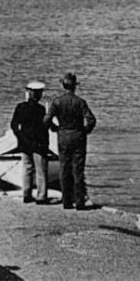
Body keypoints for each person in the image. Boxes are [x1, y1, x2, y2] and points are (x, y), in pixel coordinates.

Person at [46, 71, 97, 210]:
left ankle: (66, 201)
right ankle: (80, 202)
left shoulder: (57, 101)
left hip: (63, 136)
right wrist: (85, 130)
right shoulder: (80, 102)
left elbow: (46, 119)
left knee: (64, 169)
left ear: (63, 86)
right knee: (78, 170)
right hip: (78, 136)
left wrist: (54, 128)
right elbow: (91, 119)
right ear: (75, 86)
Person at [10, 80, 51, 204]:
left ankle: (26, 194)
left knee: (27, 169)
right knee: (41, 171)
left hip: (25, 142)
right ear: (38, 94)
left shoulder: (20, 107)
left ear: (28, 93)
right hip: (38, 144)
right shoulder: (41, 109)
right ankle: (41, 196)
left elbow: (14, 125)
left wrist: (20, 137)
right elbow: (44, 127)